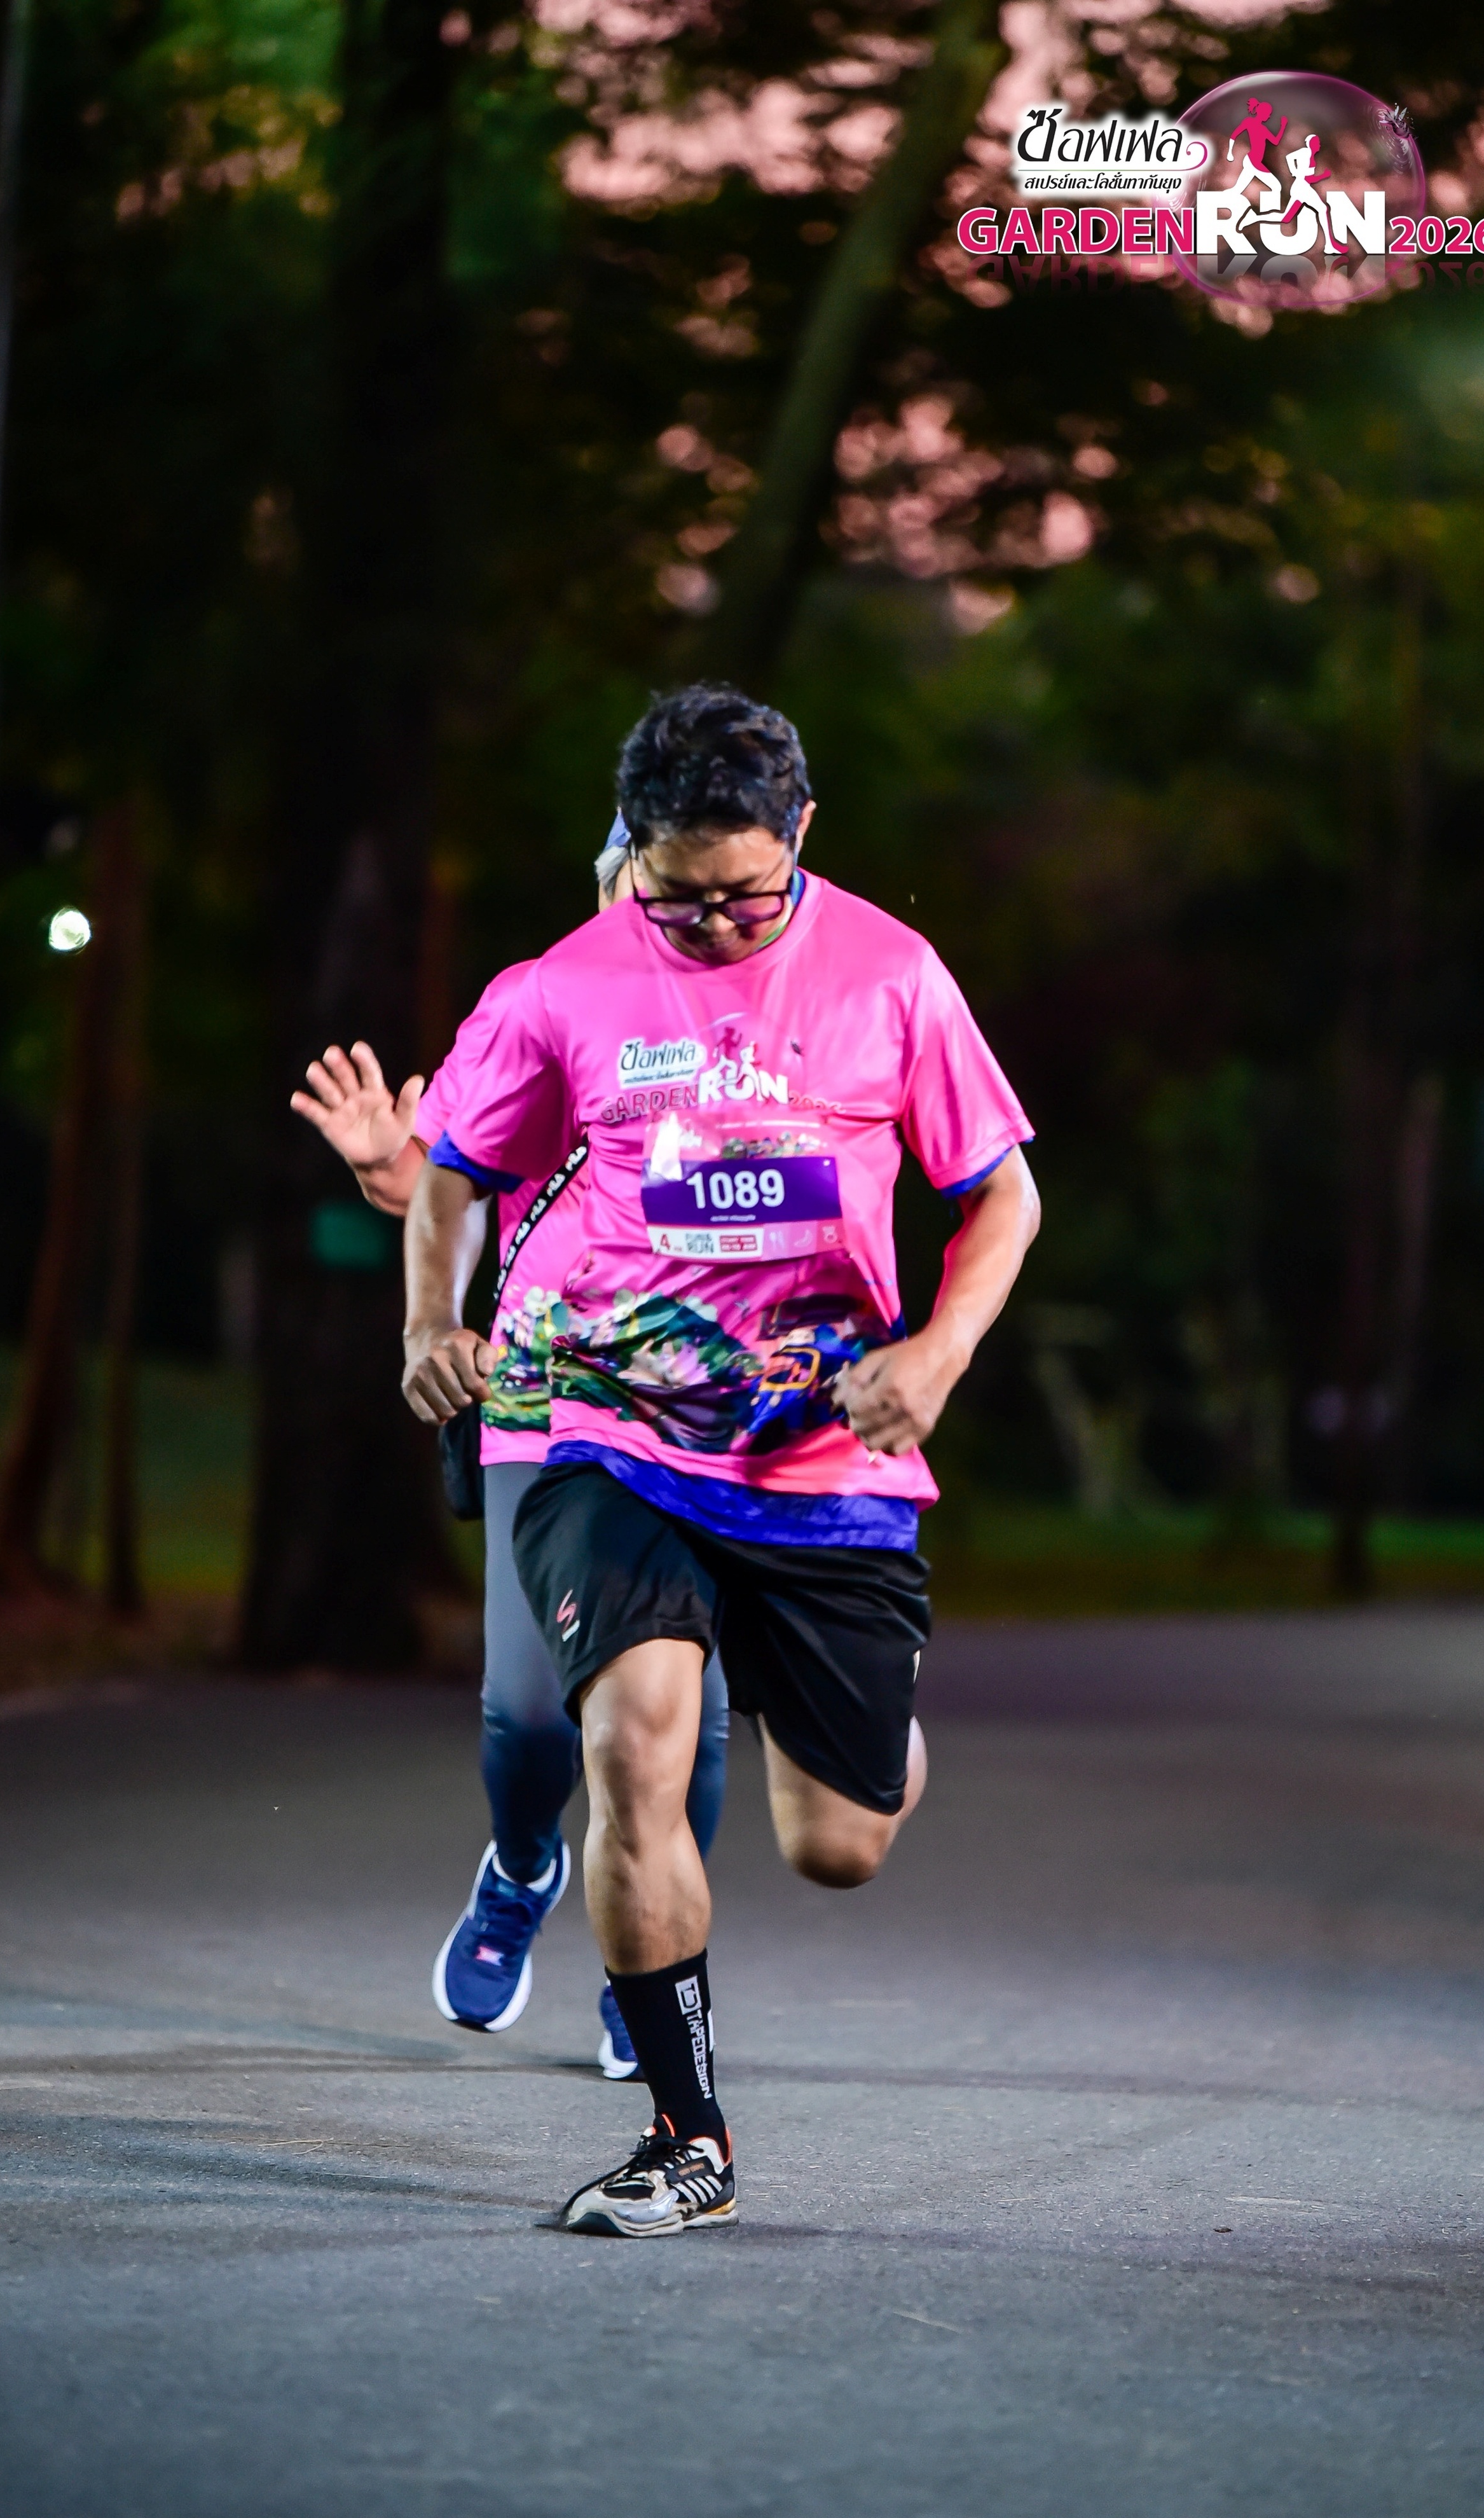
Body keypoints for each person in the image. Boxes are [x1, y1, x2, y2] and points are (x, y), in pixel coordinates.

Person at [404, 682, 1040, 2235]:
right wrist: (430, 1319)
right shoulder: (562, 983)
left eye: (745, 895)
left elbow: (1002, 1195)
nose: (709, 928)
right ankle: (687, 2138)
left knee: (838, 1844)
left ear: (800, 832)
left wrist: (934, 1354)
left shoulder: (891, 973)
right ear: (633, 849)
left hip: (821, 1452)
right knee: (632, 1743)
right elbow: (452, 1170)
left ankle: (847, 1723)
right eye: (677, 896)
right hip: (605, 1426)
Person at [289, 824, 729, 2077]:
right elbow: (452, 1180)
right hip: (543, 1399)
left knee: (689, 1728)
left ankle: (649, 1969)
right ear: (613, 881)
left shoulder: (761, 1025)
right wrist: (388, 1165)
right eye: (650, 879)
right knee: (532, 1715)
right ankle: (526, 1863)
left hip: (701, 1411)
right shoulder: (548, 1004)